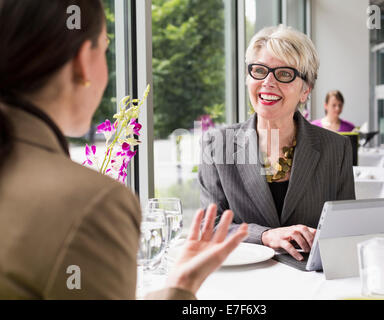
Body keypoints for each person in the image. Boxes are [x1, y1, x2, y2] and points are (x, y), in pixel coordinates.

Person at [0, 0, 248, 299]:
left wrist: (180, 283)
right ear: (82, 61)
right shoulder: (91, 204)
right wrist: (179, 292)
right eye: (105, 47)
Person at [198, 25, 355, 261]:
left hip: (311, 285)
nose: (268, 82)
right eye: (259, 70)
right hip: (242, 282)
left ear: (305, 90)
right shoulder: (217, 144)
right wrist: (265, 236)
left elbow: (346, 228)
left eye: (284, 74)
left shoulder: (336, 148)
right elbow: (208, 228)